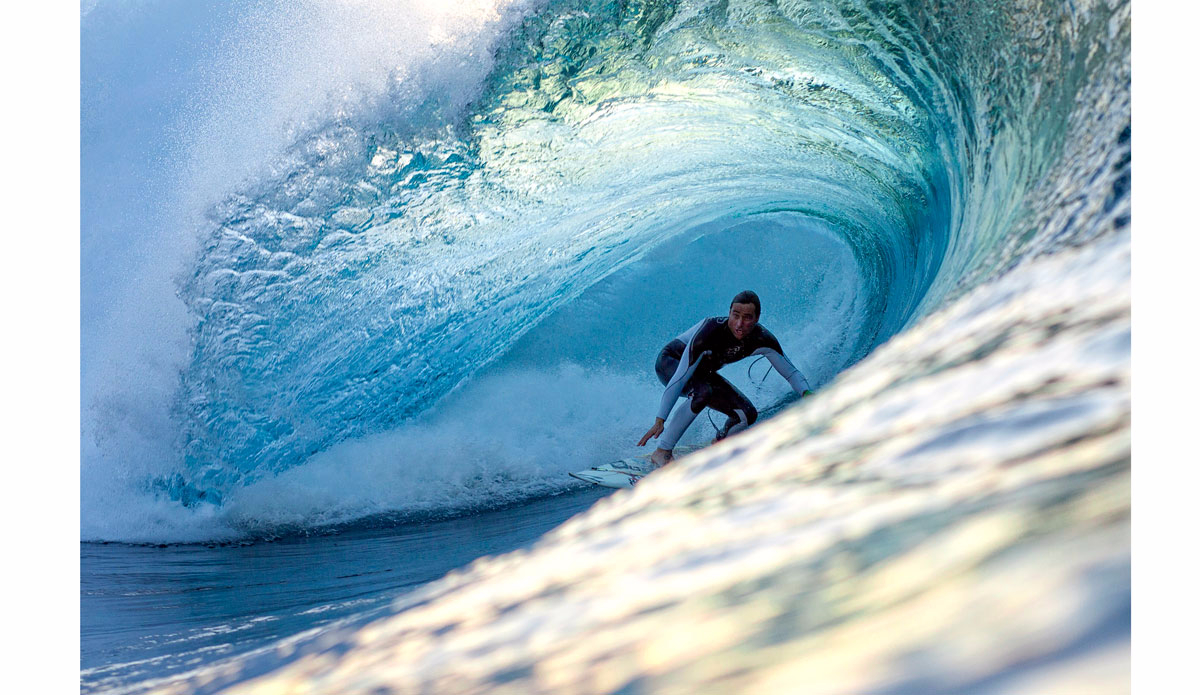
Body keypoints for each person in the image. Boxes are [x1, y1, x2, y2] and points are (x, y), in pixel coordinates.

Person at [638, 290, 812, 465]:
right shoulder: (710, 331)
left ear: (757, 318)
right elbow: (681, 378)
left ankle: (720, 444)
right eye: (735, 315)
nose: (739, 324)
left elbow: (791, 373)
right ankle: (663, 451)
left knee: (746, 414)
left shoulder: (762, 339)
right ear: (729, 312)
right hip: (671, 363)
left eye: (747, 318)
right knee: (702, 392)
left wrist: (808, 394)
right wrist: (660, 419)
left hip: (702, 374)